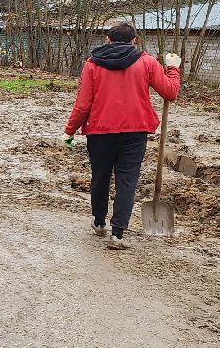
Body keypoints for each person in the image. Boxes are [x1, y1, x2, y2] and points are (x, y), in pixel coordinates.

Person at [63, 21, 181, 249]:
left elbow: (83, 104)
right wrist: (173, 68)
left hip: (100, 132)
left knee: (100, 177)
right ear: (134, 40)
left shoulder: (92, 65)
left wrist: (70, 131)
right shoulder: (146, 62)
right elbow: (170, 91)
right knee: (127, 180)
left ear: (108, 39)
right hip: (135, 131)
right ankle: (117, 234)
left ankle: (99, 223)